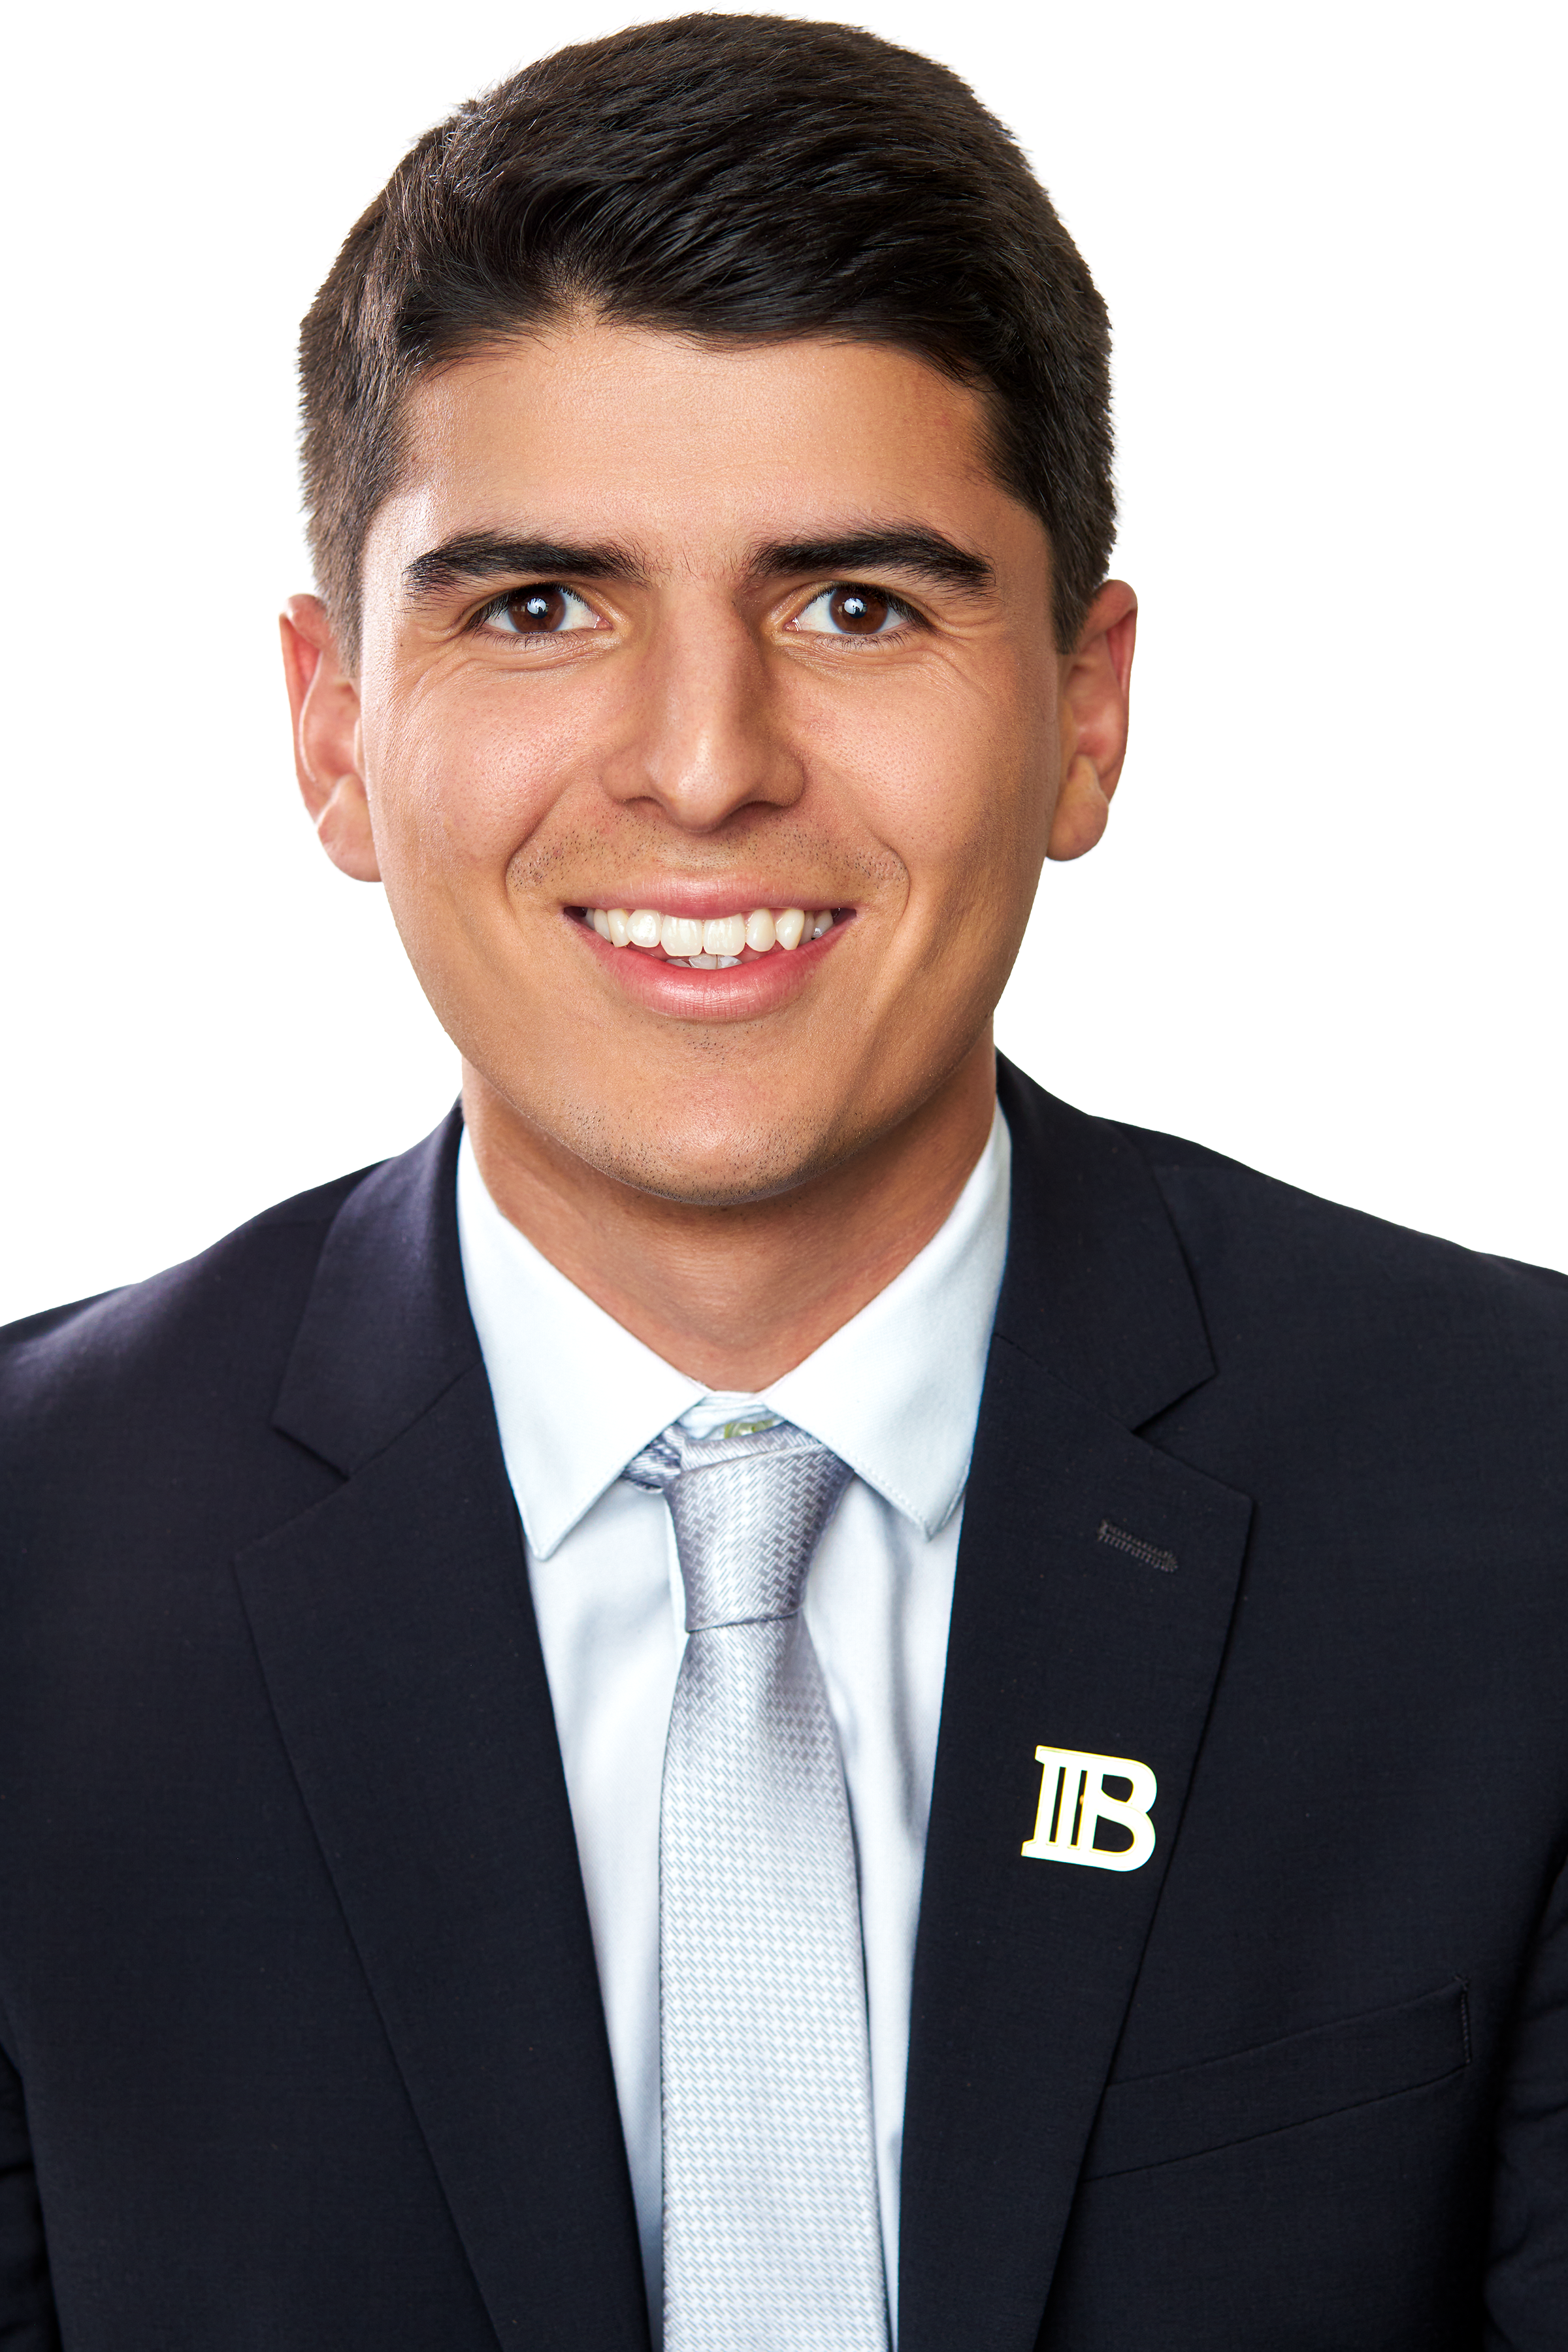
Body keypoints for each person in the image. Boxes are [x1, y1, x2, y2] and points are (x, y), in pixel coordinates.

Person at [1, 12, 1564, 2347]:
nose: (707, 766)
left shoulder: (1523, 1505)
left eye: (858, 604)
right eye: (540, 605)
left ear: (1086, 705)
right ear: (334, 733)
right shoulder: (28, 1572)